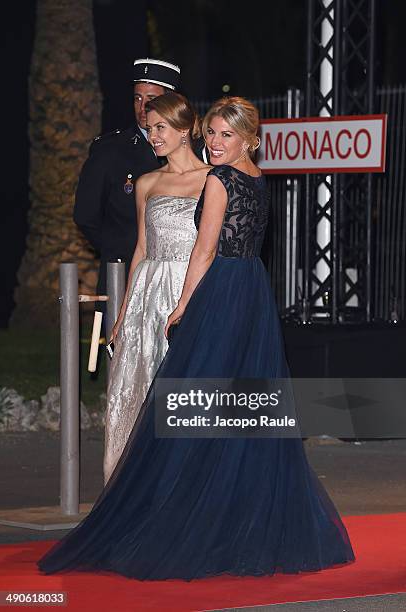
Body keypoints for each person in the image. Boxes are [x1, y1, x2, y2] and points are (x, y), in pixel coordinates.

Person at [38, 97, 354, 580]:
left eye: (226, 135)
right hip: (252, 292)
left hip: (221, 290)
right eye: (212, 133)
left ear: (249, 139)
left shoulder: (220, 179)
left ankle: (184, 514)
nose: (216, 142)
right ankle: (235, 515)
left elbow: (204, 251)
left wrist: (185, 306)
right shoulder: (255, 177)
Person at [104, 92, 209, 483]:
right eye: (149, 129)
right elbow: (142, 248)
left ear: (185, 130)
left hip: (192, 287)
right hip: (149, 292)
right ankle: (131, 485)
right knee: (139, 383)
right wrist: (124, 311)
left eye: (160, 128)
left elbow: (214, 245)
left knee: (186, 386)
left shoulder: (213, 179)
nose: (153, 136)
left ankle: (186, 481)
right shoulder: (148, 182)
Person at [73, 58, 181, 314]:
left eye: (151, 99)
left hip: (176, 276)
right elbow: (85, 215)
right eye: (137, 98)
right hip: (122, 275)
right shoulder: (110, 150)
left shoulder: (192, 149)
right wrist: (118, 249)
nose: (143, 107)